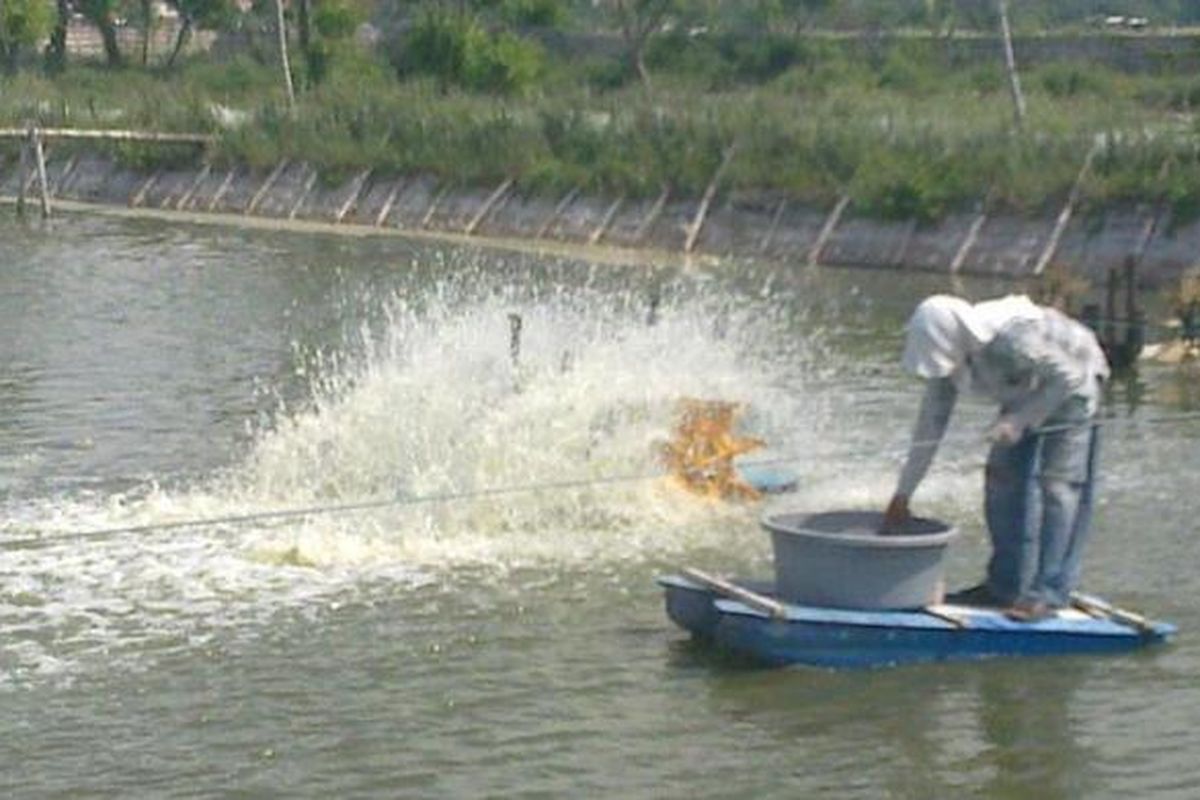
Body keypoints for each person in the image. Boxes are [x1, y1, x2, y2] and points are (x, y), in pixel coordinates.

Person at [882, 294, 1110, 621]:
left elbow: (1070, 376)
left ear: (956, 337)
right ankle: (1005, 585)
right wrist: (903, 495)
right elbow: (929, 429)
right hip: (1031, 386)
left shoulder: (1012, 340)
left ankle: (1049, 593)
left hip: (1076, 386)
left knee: (1058, 488)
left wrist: (1019, 421)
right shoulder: (951, 360)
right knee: (1002, 477)